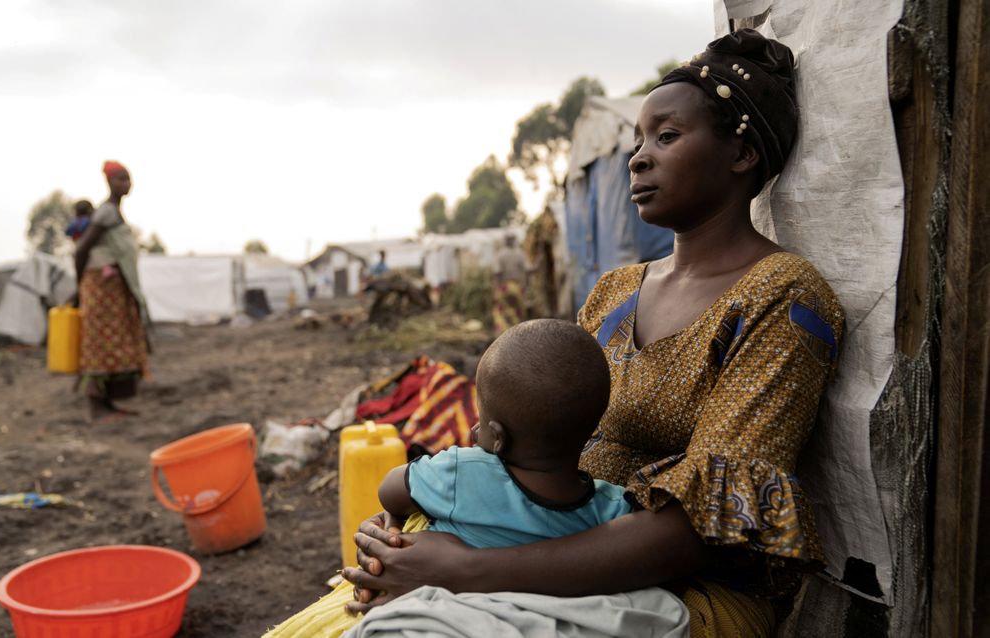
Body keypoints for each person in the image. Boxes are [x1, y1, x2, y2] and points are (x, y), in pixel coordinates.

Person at [339, 29, 846, 638]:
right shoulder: (613, 292)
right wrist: (419, 526)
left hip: (683, 591)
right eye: (637, 140)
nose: (638, 157)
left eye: (666, 136)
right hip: (536, 545)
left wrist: (468, 569)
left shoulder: (782, 297)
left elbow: (703, 532)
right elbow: (531, 449)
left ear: (740, 155)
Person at [265, 319, 689, 637]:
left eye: (482, 423)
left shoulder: (460, 472)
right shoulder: (612, 507)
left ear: (497, 438)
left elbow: (390, 488)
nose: (473, 433)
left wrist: (392, 524)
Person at [74, 161, 150, 422]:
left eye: (128, 179)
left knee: (115, 343)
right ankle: (96, 404)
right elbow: (81, 250)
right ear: (109, 182)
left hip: (114, 288)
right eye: (120, 179)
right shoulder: (105, 212)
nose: (126, 184)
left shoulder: (113, 212)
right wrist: (80, 286)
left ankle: (108, 403)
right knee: (99, 344)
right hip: (101, 287)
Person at [491, 234, 529, 335]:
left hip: (504, 287)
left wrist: (497, 288)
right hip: (517, 287)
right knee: (518, 311)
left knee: (501, 312)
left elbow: (497, 273)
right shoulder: (520, 254)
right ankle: (518, 333)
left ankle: (502, 335)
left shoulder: (500, 255)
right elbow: (528, 270)